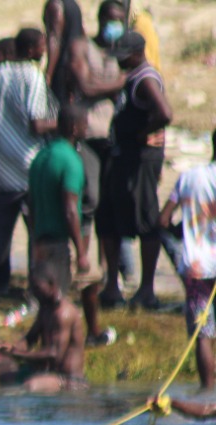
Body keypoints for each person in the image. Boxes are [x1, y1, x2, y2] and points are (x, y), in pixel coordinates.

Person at [97, 31, 171, 311]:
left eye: (124, 57)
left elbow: (165, 113)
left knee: (145, 219)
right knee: (110, 217)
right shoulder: (132, 76)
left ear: (137, 53)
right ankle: (113, 286)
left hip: (140, 161)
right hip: (124, 158)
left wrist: (142, 133)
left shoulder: (146, 78)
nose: (120, 62)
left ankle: (147, 289)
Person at [0, 27, 55, 297]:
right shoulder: (32, 76)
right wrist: (64, 122)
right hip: (31, 166)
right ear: (32, 49)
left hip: (4, 168)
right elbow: (36, 123)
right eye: (43, 45)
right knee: (36, 231)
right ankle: (37, 286)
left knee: (1, 233)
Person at [29, 104, 111, 346]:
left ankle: (93, 332)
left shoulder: (40, 157)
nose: (87, 128)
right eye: (85, 124)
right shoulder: (71, 161)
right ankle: (51, 353)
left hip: (42, 238)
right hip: (61, 241)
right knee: (56, 302)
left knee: (90, 281)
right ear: (74, 127)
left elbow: (31, 204)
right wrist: (81, 251)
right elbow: (69, 209)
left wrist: (34, 240)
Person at [61, 1, 125, 300]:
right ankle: (83, 266)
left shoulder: (120, 50)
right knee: (90, 200)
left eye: (119, 20)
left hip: (112, 137)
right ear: (100, 19)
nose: (115, 24)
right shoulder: (82, 46)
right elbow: (85, 86)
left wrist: (109, 83)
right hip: (88, 135)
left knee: (110, 207)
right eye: (111, 19)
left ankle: (108, 273)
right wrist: (116, 84)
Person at [157, 131, 216, 391]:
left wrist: (183, 232)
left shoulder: (189, 177)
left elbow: (163, 219)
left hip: (197, 266)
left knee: (203, 333)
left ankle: (207, 392)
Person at [0, 261, 86, 392]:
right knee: (5, 379)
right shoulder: (45, 308)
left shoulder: (63, 314)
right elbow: (30, 338)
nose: (33, 293)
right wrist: (10, 349)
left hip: (68, 380)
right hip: (47, 372)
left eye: (37, 288)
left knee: (31, 386)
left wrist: (19, 354)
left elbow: (54, 355)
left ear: (52, 285)